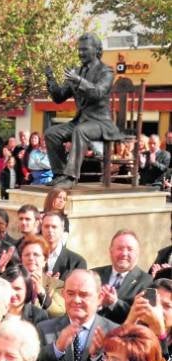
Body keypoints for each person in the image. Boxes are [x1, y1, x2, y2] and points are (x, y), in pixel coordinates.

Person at [44, 33, 123, 189]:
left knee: (80, 131)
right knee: (51, 133)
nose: (80, 53)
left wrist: (79, 80)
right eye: (79, 50)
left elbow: (98, 93)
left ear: (97, 50)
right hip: (80, 121)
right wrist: (50, 78)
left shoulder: (106, 71)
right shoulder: (76, 71)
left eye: (85, 50)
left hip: (100, 123)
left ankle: (71, 177)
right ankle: (60, 174)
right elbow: (59, 97)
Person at [92, 229, 153, 324]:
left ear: (138, 253)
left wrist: (115, 303)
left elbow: (144, 318)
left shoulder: (148, 282)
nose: (124, 253)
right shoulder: (94, 274)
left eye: (130, 249)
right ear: (111, 251)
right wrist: (98, 304)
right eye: (120, 248)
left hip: (125, 336)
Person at [41, 212, 86, 280]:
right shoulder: (31, 256)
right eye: (46, 226)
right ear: (41, 229)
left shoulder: (77, 261)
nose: (50, 230)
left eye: (54, 227)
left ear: (62, 230)